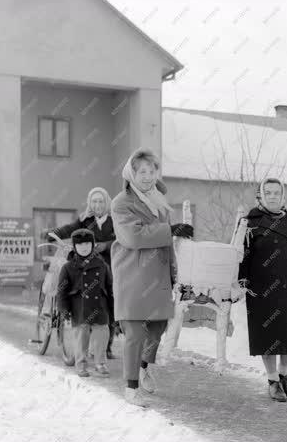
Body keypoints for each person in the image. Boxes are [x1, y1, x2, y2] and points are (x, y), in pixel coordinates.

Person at [111, 148, 193, 407]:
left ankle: (144, 366)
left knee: (157, 328)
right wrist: (169, 229)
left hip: (157, 275)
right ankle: (130, 387)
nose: (147, 176)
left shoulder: (159, 202)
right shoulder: (121, 203)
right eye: (142, 171)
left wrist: (174, 274)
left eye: (151, 171)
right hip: (133, 274)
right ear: (132, 173)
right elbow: (133, 236)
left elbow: (168, 245)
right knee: (135, 331)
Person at [239, 177, 287, 402]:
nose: (272, 196)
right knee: (268, 335)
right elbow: (238, 254)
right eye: (268, 192)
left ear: (283, 197)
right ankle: (272, 381)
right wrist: (240, 281)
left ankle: (284, 376)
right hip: (261, 288)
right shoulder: (249, 222)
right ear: (260, 196)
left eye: (276, 193)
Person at [48, 187, 118, 359]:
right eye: (94, 201)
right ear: (89, 203)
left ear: (106, 202)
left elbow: (123, 237)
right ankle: (82, 342)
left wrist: (107, 245)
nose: (98, 204)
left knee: (107, 303)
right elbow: (70, 228)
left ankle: (106, 346)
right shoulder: (85, 220)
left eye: (101, 201)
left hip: (108, 267)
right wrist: (54, 233)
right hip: (85, 268)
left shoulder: (115, 221)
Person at [56, 229, 113, 378]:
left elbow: (109, 286)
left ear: (93, 244)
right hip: (79, 307)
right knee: (81, 336)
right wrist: (63, 309)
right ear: (75, 247)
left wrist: (113, 308)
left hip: (100, 305)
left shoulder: (102, 264)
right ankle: (81, 364)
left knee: (102, 332)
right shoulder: (68, 267)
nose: (84, 247)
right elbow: (61, 292)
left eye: (87, 243)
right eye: (80, 244)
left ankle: (100, 362)